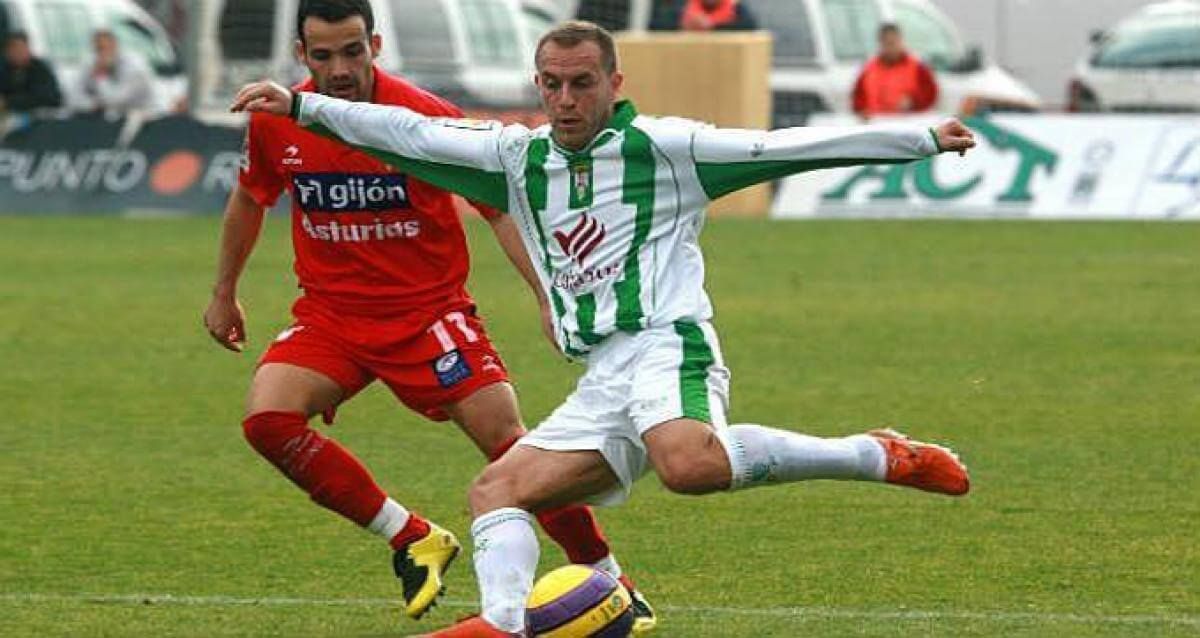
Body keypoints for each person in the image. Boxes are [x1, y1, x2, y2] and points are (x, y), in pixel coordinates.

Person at [232, 19, 976, 638]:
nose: (565, 99)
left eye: (582, 83)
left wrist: (920, 141)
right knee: (497, 490)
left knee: (688, 466)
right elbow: (405, 131)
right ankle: (502, 625)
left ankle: (876, 455)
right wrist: (301, 110)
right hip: (602, 375)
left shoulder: (667, 149)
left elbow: (781, 147)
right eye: (551, 84)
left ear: (614, 85)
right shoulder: (515, 158)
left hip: (666, 341)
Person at [206, 3, 655, 631]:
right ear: (303, 56)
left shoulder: (422, 115)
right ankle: (412, 536)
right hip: (333, 317)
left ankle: (608, 576)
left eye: (353, 51)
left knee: (512, 451)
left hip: (428, 316)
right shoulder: (279, 121)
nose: (341, 68)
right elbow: (251, 196)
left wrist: (546, 297)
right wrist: (224, 290)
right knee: (267, 420)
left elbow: (497, 208)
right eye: (325, 55)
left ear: (376, 45)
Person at [852, 23, 939, 118]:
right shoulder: (868, 69)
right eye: (887, 44)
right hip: (877, 123)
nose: (891, 48)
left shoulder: (917, 67)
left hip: (908, 123)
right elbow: (857, 100)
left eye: (893, 43)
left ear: (901, 41)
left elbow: (931, 94)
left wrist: (914, 101)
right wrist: (862, 111)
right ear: (880, 44)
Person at [78, 30, 155, 116]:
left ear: (115, 45)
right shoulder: (92, 62)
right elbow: (76, 95)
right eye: (97, 49)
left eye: (103, 48)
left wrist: (101, 75)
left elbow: (115, 100)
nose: (100, 54)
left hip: (149, 115)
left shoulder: (134, 64)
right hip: (118, 116)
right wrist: (90, 104)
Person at [0, 32, 63, 113]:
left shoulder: (40, 68)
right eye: (13, 49)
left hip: (42, 117)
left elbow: (46, 98)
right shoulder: (4, 69)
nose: (18, 53)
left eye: (21, 48)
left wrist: (7, 102)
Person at [650, 0, 759, 31]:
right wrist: (682, 25)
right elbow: (655, 25)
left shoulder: (736, 8)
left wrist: (711, 26)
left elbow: (750, 25)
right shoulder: (683, 6)